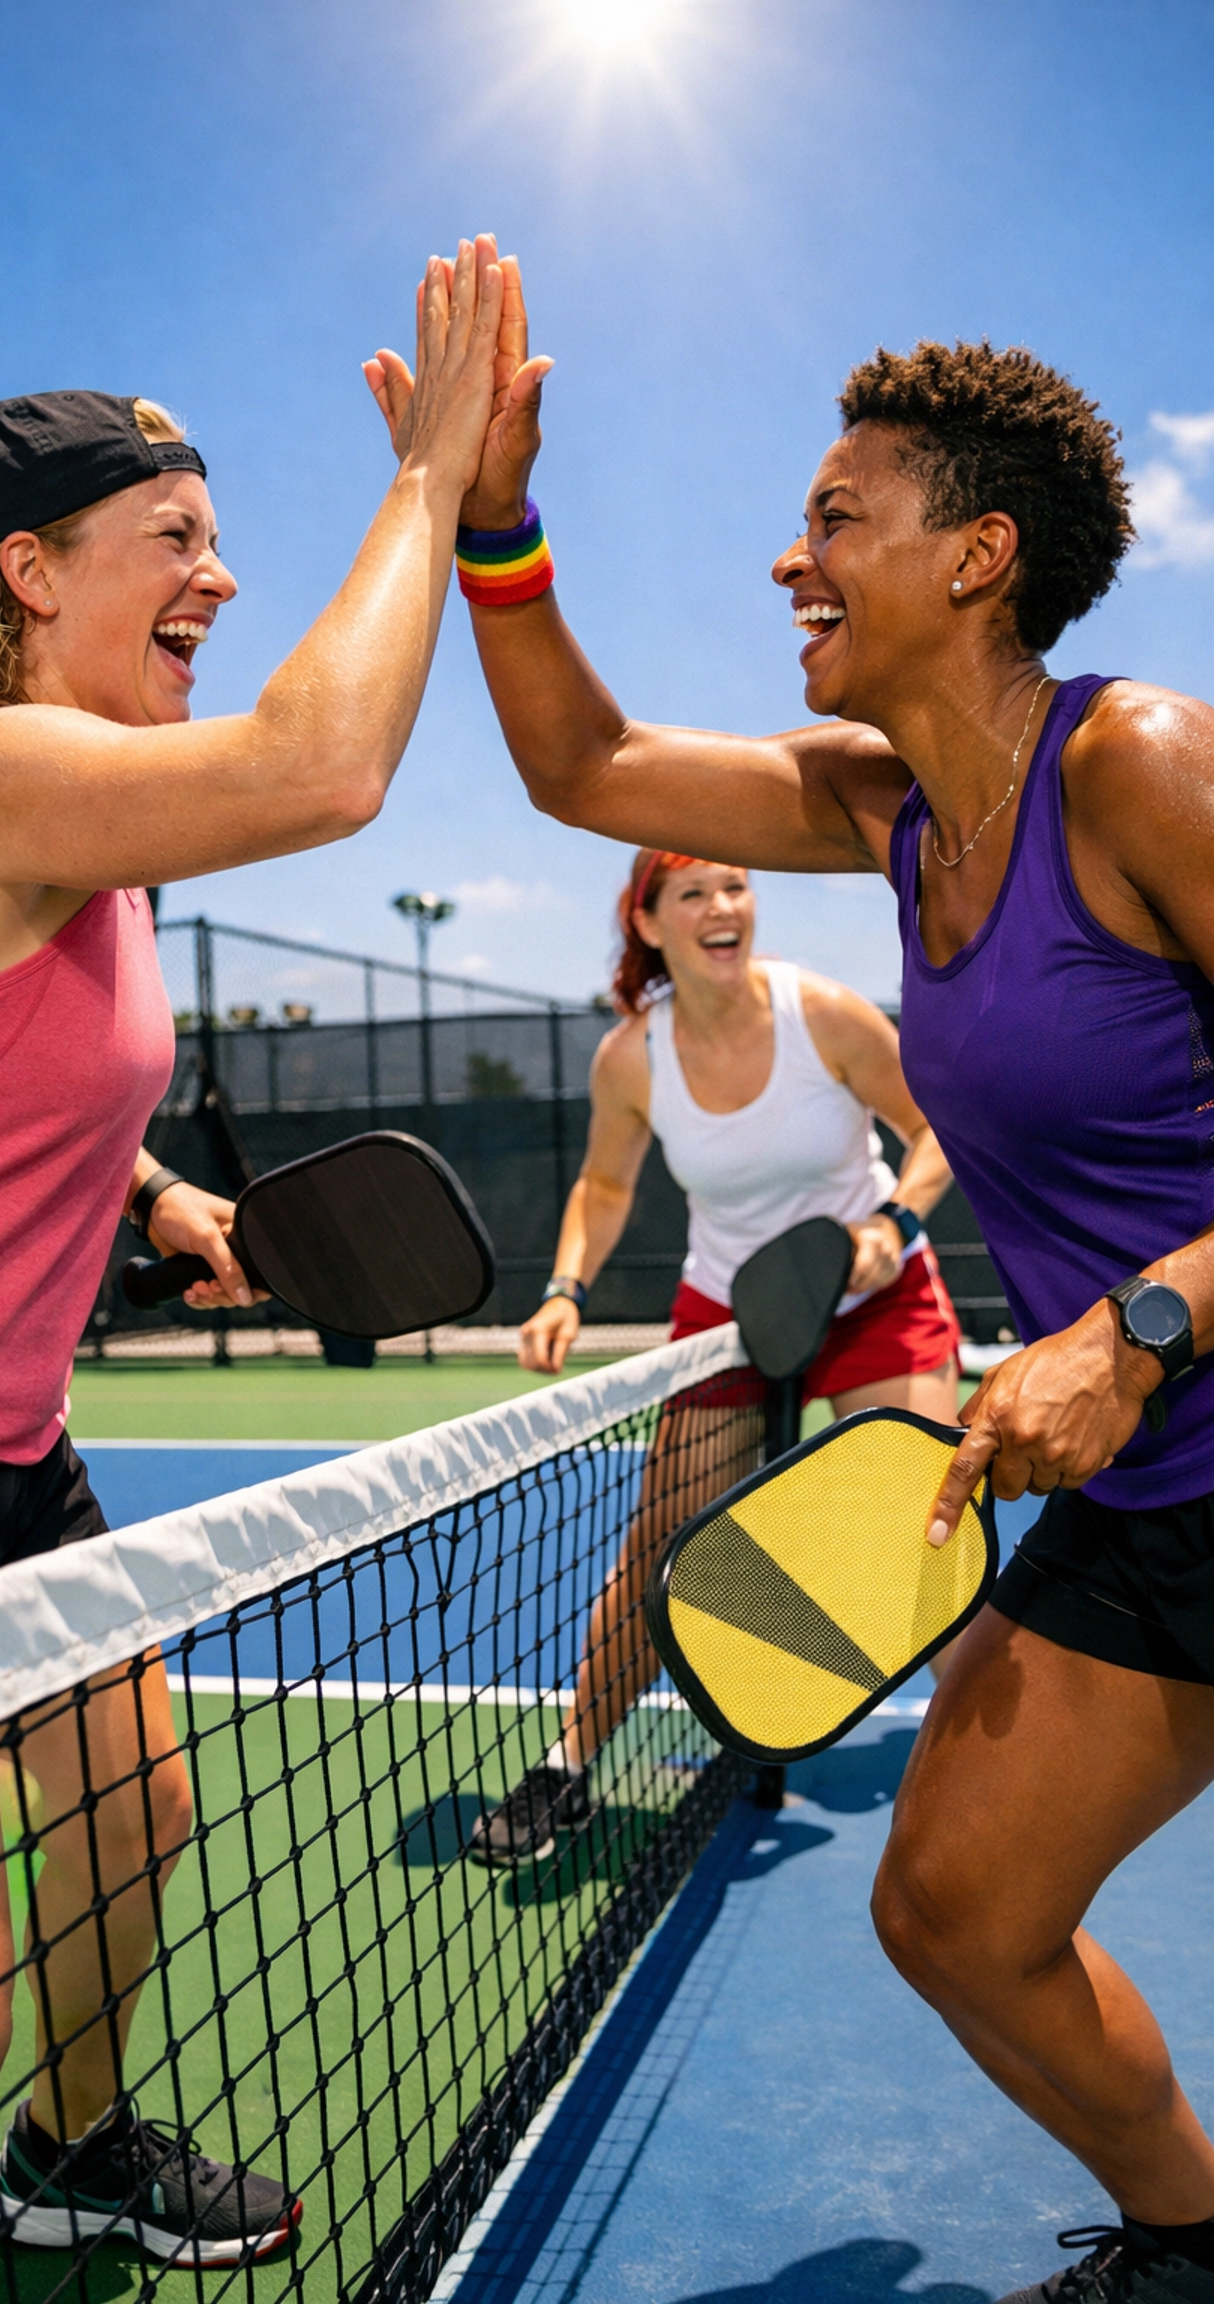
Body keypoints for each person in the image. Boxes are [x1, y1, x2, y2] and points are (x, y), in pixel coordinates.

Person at [0, 236, 504, 2304]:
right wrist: (436, 488)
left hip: (6, 1464)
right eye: (177, 539)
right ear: (30, 575)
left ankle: (72, 2161)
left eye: (223, 540)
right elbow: (328, 772)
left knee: (132, 1810)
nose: (219, 577)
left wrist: (162, 1199)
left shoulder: (94, 828)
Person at [385, 270, 1214, 2304]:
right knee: (950, 1906)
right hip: (1162, 1495)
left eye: (839, 517)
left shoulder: (1146, 767)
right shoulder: (881, 806)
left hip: (1168, 1384)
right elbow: (583, 765)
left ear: (980, 555)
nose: (792, 554)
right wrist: (494, 516)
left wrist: (1144, 1323)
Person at [468, 846, 956, 1866]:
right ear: (649, 923)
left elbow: (932, 1129)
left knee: (925, 1513)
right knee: (664, 1542)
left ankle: (980, 1765)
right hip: (730, 1309)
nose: (723, 906)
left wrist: (894, 1228)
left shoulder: (820, 1013)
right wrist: (566, 1288)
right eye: (693, 892)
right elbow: (604, 1188)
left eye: (735, 886)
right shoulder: (630, 1059)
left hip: (872, 1293)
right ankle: (567, 1766)